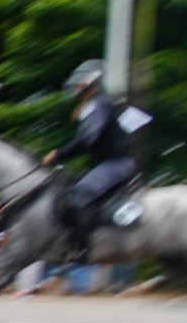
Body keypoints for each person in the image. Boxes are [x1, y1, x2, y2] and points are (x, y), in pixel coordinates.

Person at [44, 59, 136, 256]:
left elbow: (86, 139)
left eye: (81, 85)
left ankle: (84, 249)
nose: (77, 89)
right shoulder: (98, 104)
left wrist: (58, 155)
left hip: (116, 164)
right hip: (112, 163)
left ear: (91, 86)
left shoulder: (98, 105)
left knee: (79, 195)